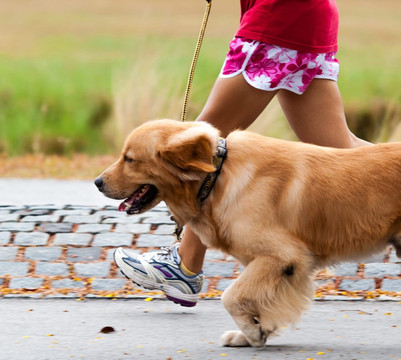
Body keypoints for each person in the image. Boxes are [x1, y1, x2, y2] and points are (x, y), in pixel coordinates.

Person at [114, 0, 371, 307]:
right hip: (309, 15)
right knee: (343, 152)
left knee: (200, 144)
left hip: (277, 18)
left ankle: (183, 266)